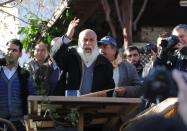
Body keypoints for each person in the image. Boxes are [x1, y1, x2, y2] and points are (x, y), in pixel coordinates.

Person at [51, 18, 115, 96]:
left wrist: (105, 94)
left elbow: (110, 86)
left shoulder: (105, 63)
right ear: (78, 42)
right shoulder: (70, 56)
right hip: (69, 103)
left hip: (94, 105)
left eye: (91, 40)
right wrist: (68, 36)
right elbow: (55, 57)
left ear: (96, 42)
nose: (88, 43)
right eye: (85, 40)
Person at [0, 39, 35, 131]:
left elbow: (32, 97)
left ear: (20, 54)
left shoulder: (26, 75)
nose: (10, 52)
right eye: (8, 49)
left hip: (20, 123)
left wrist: (29, 116)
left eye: (14, 50)